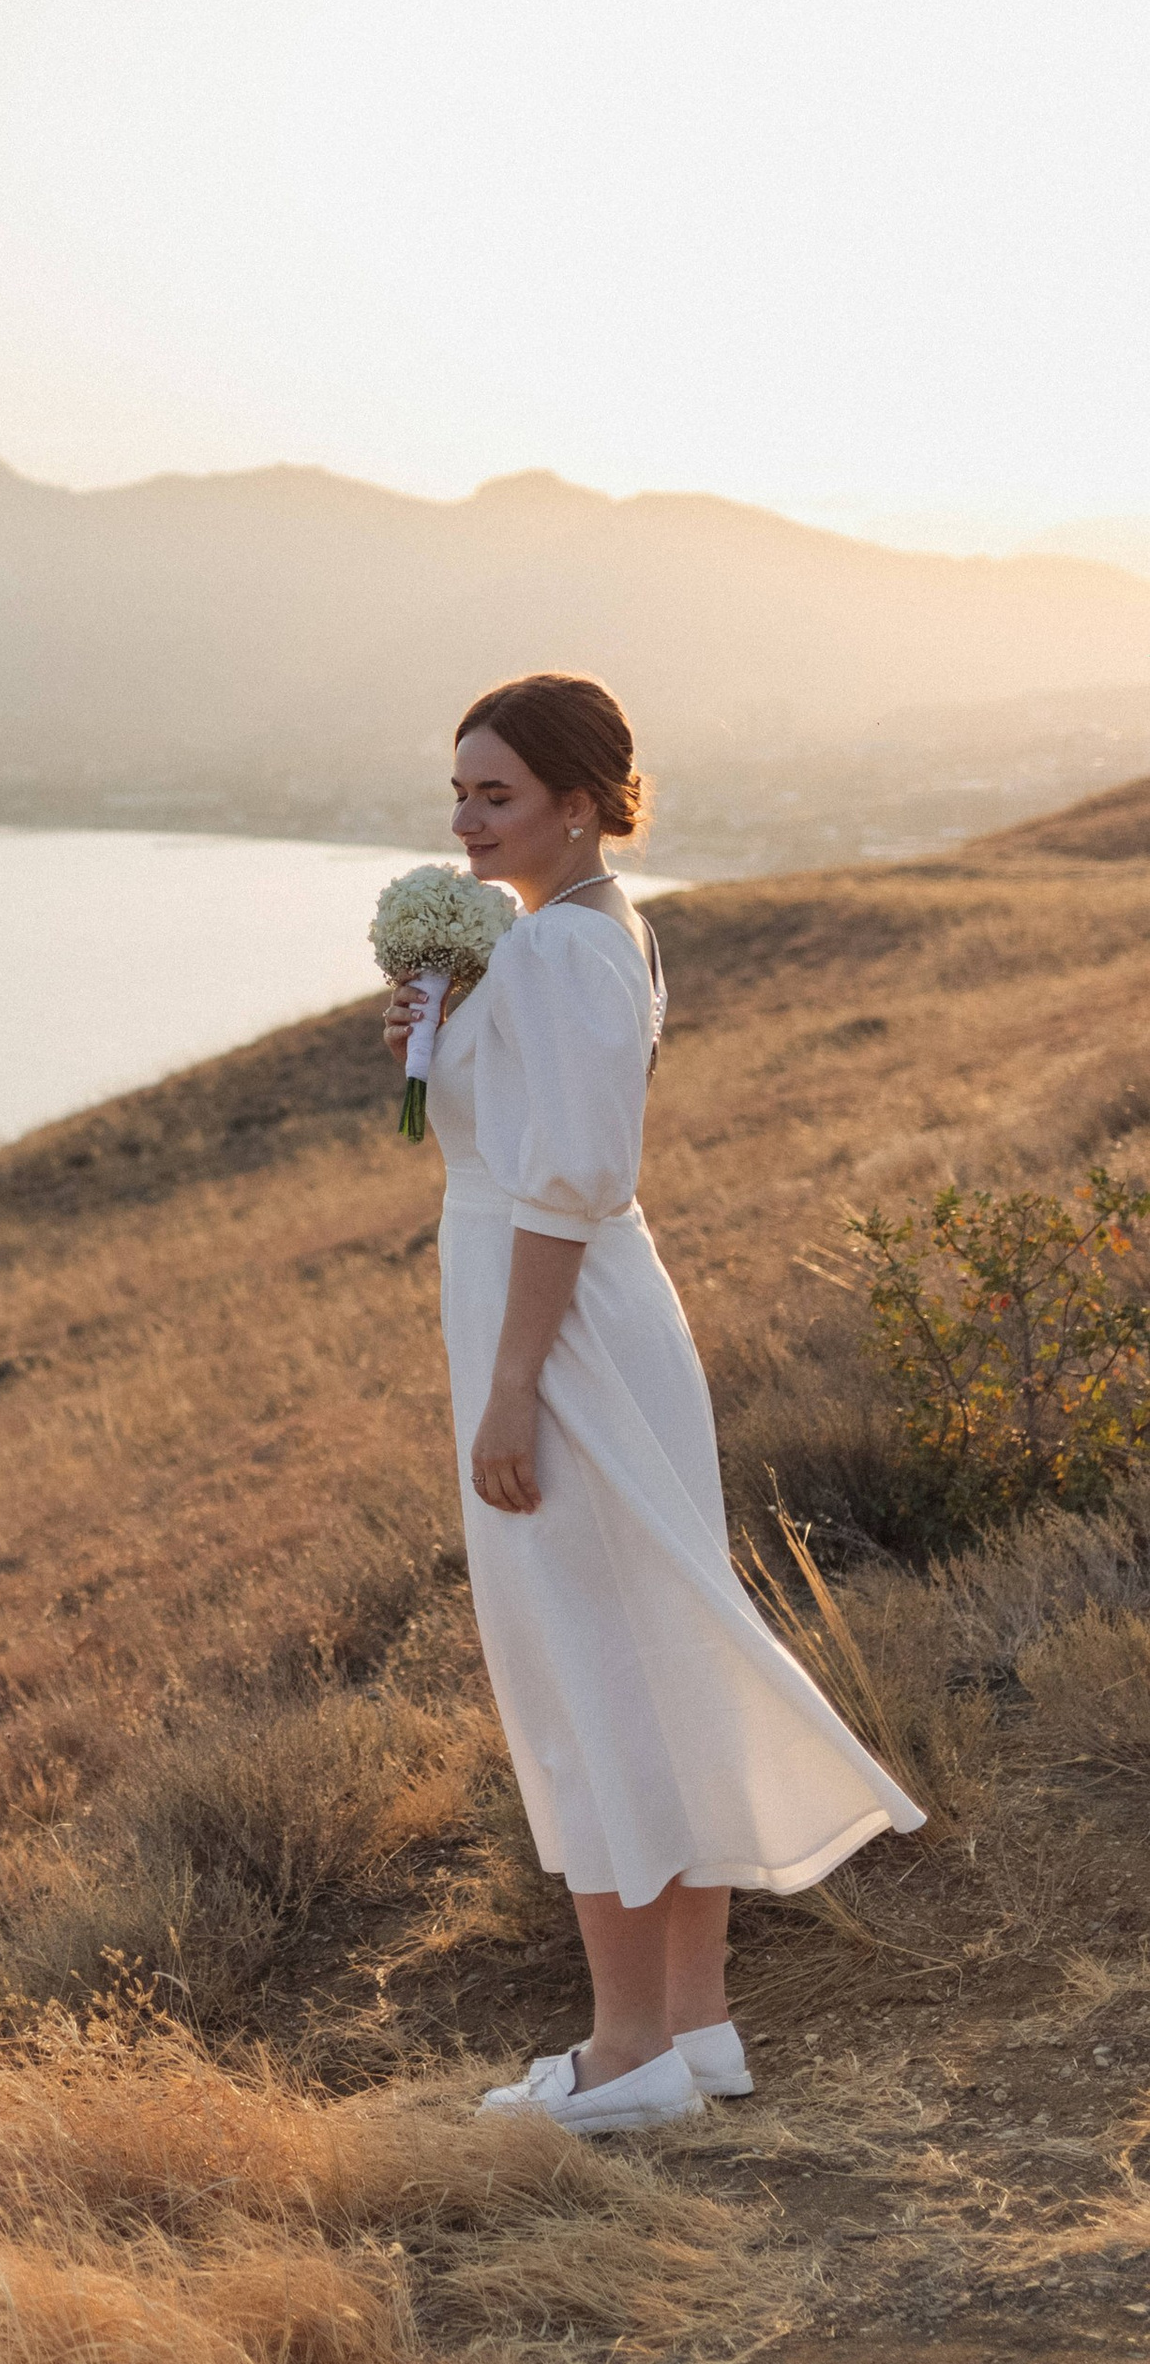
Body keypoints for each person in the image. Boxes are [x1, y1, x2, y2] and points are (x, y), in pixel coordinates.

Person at [384, 671, 924, 2135]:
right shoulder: (581, 936)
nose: (466, 820)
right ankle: (693, 2029)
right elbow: (550, 1132)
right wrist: (446, 1050)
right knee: (647, 1650)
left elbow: (565, 1184)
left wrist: (510, 1391)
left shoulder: (560, 950)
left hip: (554, 1327)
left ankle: (628, 2055)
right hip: (600, 1314)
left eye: (495, 794)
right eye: (461, 793)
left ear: (578, 799)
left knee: (586, 1671)